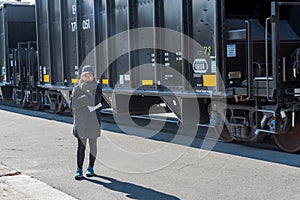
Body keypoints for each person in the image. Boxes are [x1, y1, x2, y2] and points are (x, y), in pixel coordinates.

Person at [71, 65, 102, 180]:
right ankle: (79, 169)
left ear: (93, 76)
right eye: (85, 75)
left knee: (93, 145)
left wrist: (83, 99)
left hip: (93, 121)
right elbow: (73, 104)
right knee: (81, 146)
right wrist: (87, 99)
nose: (88, 77)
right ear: (82, 77)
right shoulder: (77, 88)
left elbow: (95, 101)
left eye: (90, 75)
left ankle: (91, 167)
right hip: (81, 121)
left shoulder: (98, 87)